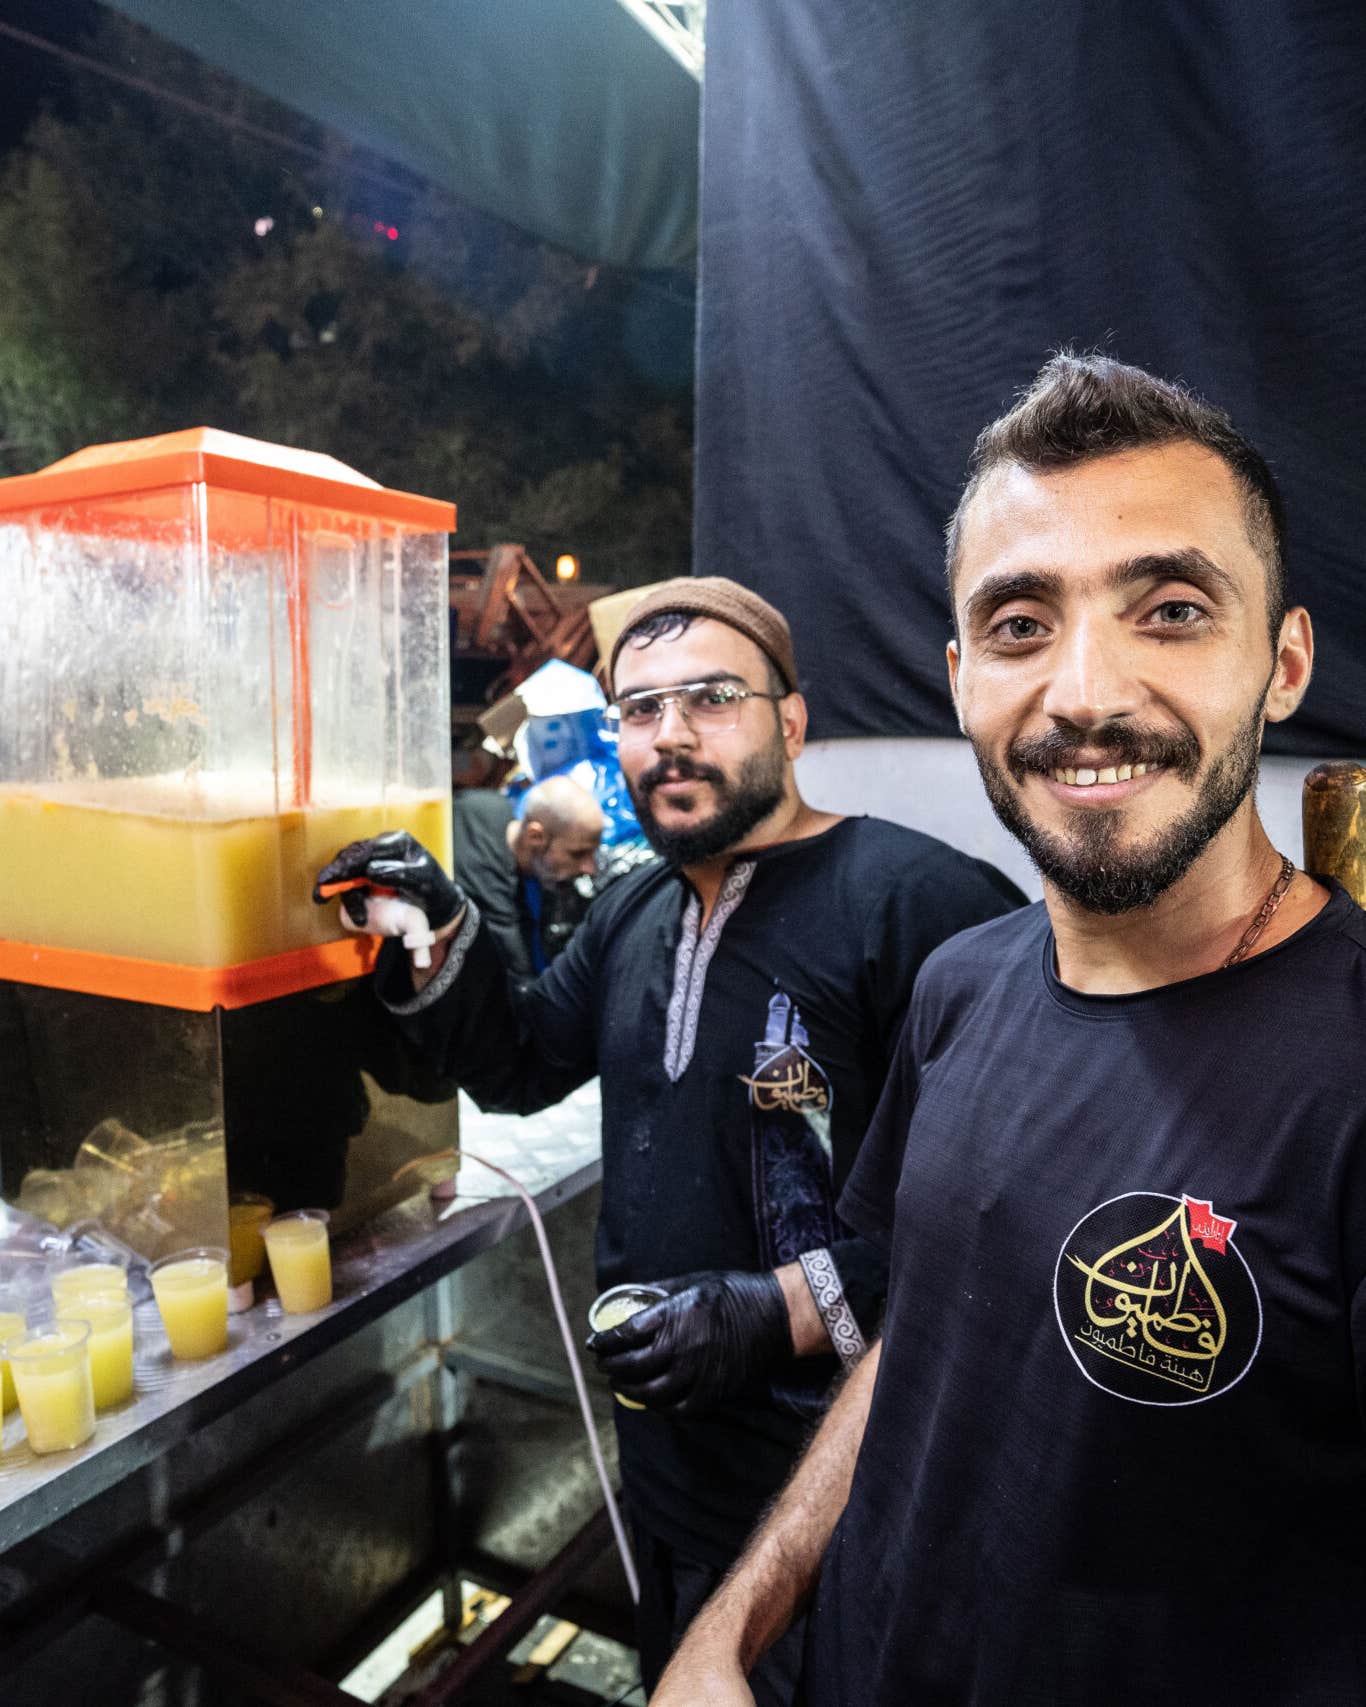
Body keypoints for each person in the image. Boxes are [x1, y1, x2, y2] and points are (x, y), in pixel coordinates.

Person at [654, 353, 1366, 1706]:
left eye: (1167, 609)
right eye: (1021, 624)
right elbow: (920, 1335)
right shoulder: (958, 989)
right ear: (960, 674)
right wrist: (735, 1623)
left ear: (1282, 663)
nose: (1084, 692)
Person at [313, 577, 1023, 1703]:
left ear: (789, 723)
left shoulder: (920, 905)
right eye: (640, 711)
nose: (671, 736)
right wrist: (440, 924)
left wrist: (774, 1310)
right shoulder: (634, 912)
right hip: (669, 1466)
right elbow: (520, 1062)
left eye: (709, 698)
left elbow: (1010, 1215)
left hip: (847, 1488)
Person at [450, 774, 604, 979]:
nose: (590, 868)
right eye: (577, 854)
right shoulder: (496, 905)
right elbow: (522, 988)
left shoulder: (490, 803)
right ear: (535, 837)